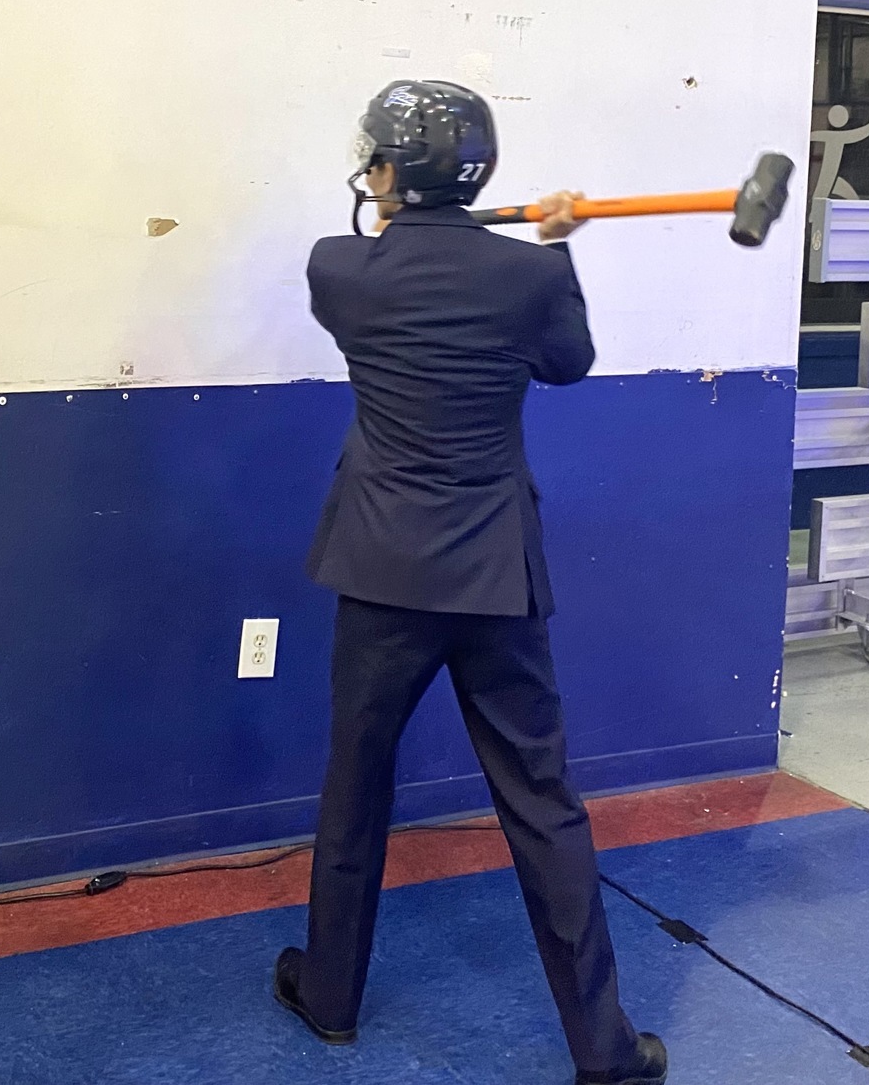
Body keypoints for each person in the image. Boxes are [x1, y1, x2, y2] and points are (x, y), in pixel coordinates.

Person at [272, 80, 666, 1085]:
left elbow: (387, 266)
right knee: (541, 803)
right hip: (493, 573)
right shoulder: (523, 280)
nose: (366, 175)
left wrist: (434, 231)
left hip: (379, 572)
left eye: (375, 162)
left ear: (393, 173)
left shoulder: (337, 272)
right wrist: (554, 241)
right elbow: (567, 362)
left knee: (354, 790)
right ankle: (604, 1053)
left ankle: (329, 997)